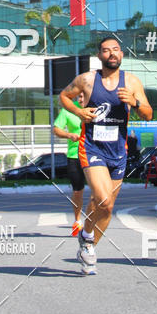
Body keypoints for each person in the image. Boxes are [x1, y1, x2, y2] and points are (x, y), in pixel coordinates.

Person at [59, 35, 153, 275]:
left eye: (116, 49)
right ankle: (88, 240)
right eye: (106, 50)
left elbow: (148, 114)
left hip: (118, 151)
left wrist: (135, 101)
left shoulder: (131, 82)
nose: (112, 53)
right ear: (99, 56)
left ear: (121, 54)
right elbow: (63, 96)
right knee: (103, 199)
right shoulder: (88, 80)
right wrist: (80, 112)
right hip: (92, 147)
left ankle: (88, 244)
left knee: (107, 208)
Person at [54, 91, 86, 235]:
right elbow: (56, 129)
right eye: (79, 96)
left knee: (99, 192)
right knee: (77, 191)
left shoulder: (96, 108)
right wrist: (69, 135)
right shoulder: (68, 110)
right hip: (75, 156)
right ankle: (78, 220)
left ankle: (93, 219)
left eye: (84, 96)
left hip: (94, 155)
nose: (81, 99)